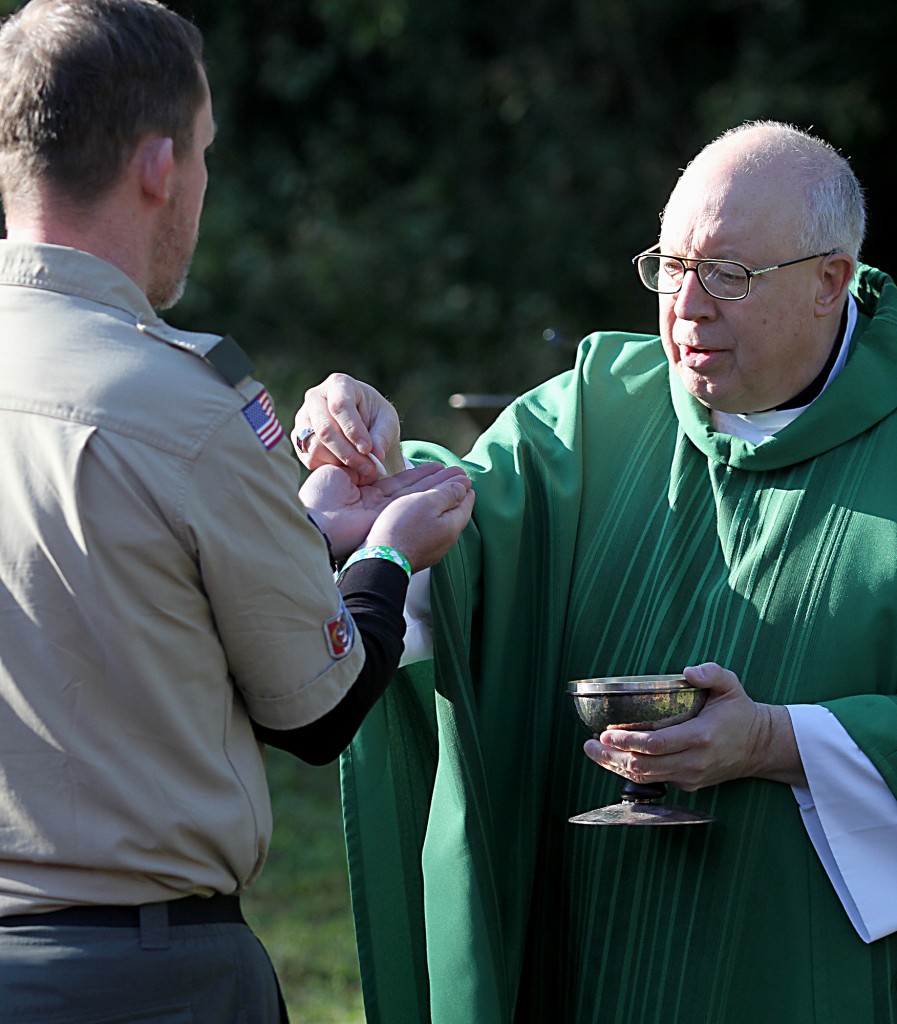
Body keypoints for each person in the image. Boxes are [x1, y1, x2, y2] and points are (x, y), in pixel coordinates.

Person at [294, 121, 897, 1023]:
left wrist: (777, 742)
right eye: (671, 266)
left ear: (830, 281)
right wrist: (374, 497)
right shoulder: (594, 408)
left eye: (728, 276)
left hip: (803, 969)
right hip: (592, 949)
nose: (686, 309)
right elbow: (464, 531)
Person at [0, 1, 473, 1022]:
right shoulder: (179, 404)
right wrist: (386, 554)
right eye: (207, 154)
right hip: (139, 978)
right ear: (161, 165)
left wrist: (301, 531)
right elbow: (319, 707)